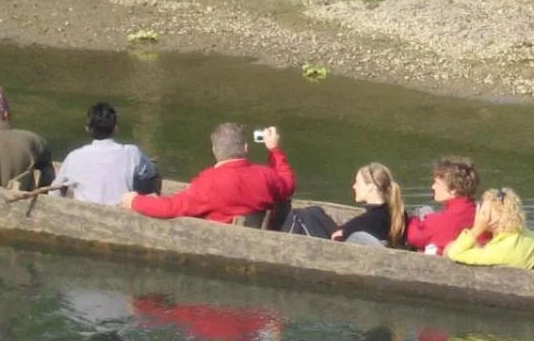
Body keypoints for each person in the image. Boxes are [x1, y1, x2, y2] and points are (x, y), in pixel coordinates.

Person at [121, 123, 294, 224]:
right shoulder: (265, 176)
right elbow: (288, 185)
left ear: (214, 150)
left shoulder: (208, 182)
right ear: (246, 148)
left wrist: (135, 201)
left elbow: (170, 208)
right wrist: (274, 150)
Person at [53, 102, 159, 204]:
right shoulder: (132, 152)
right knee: (150, 174)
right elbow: (152, 173)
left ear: (87, 129)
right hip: (121, 216)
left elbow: (55, 190)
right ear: (115, 128)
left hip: (84, 215)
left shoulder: (74, 156)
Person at [283, 162, 406, 245]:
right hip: (349, 241)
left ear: (370, 188)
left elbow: (338, 237)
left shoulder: (371, 220)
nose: (354, 186)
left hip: (339, 251)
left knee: (298, 216)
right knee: (315, 212)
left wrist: (343, 231)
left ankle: (282, 246)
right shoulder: (394, 212)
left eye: (358, 183)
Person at [443, 187, 534, 270]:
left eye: (483, 213)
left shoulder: (498, 252)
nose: (479, 217)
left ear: (493, 220)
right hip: (525, 278)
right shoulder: (527, 235)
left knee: (449, 248)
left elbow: (455, 253)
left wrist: (476, 229)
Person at [407, 157, 482, 253]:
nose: (433, 187)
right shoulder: (479, 213)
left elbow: (414, 237)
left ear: (454, 189)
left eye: (437, 183)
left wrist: (413, 220)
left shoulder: (442, 220)